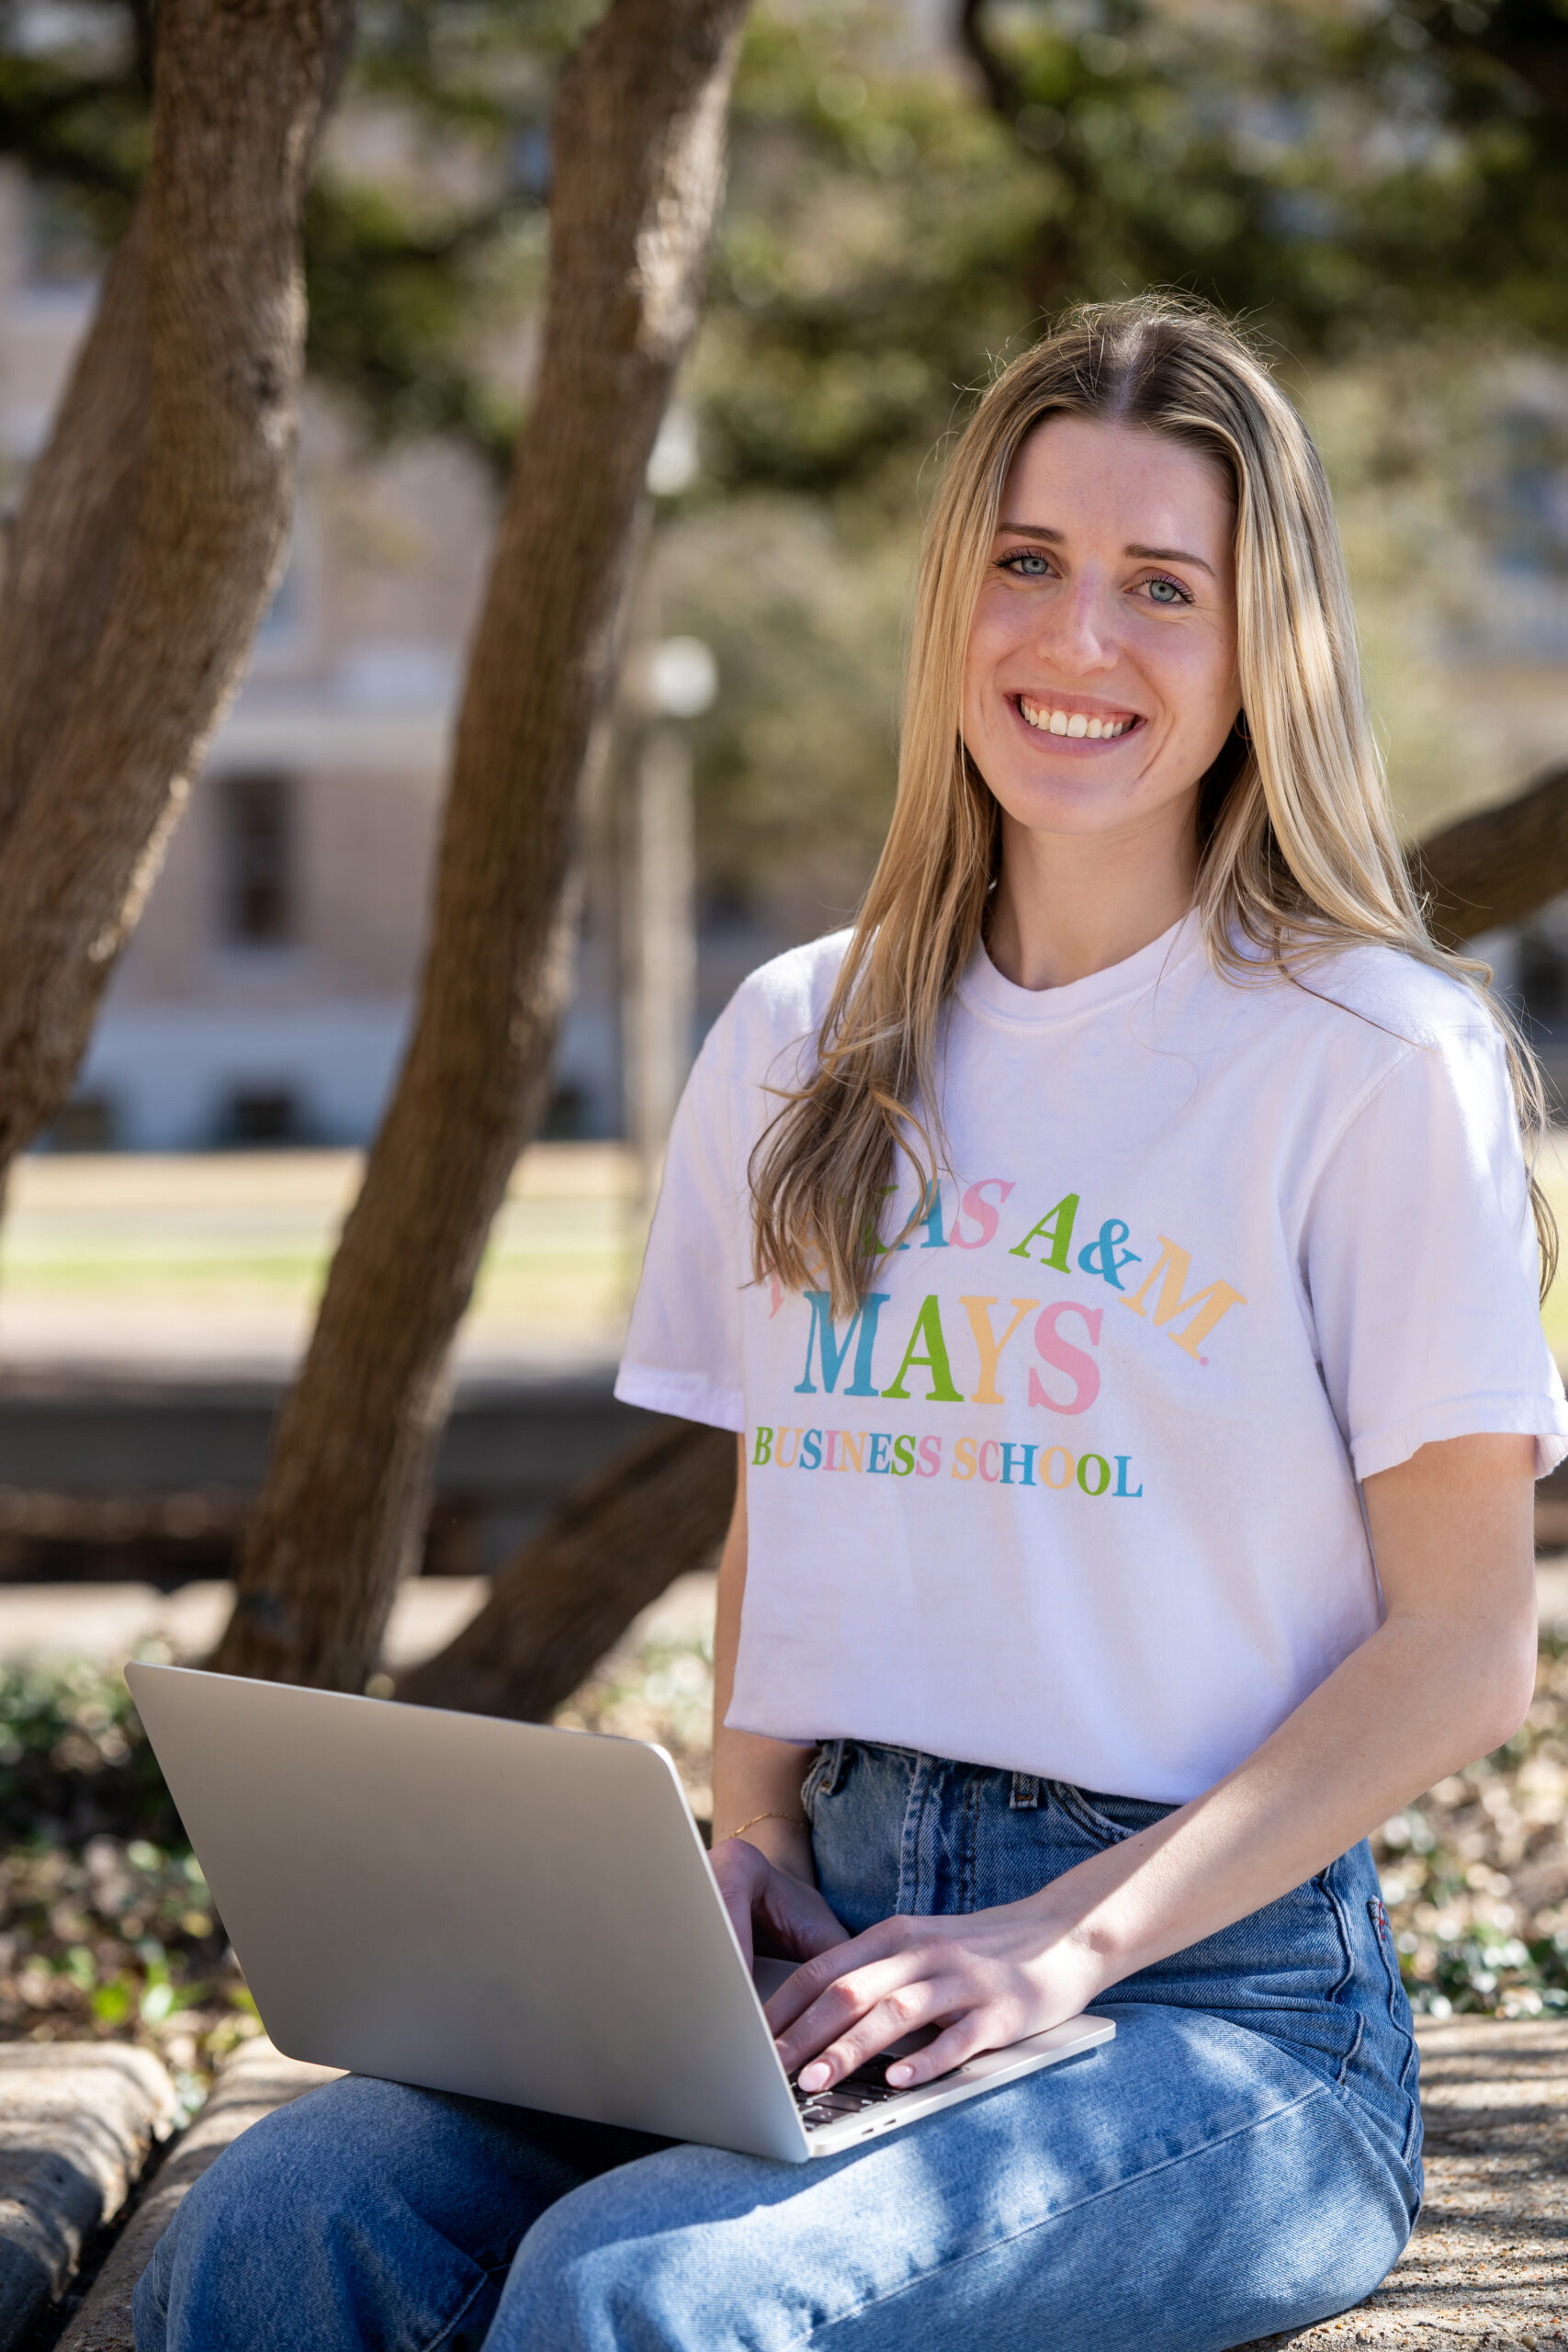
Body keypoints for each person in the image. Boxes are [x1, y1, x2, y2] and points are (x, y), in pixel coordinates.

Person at [135, 295, 1568, 2352]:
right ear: (950, 603)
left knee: (635, 2303)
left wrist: (1057, 1941)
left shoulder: (1364, 1056)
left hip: (1211, 2006)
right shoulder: (802, 1029)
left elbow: (1461, 1646)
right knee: (278, 2233)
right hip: (831, 1932)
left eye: (1161, 586)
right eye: (1028, 561)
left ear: (1264, 644)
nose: (1077, 641)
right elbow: (790, 1498)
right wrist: (733, 1840)